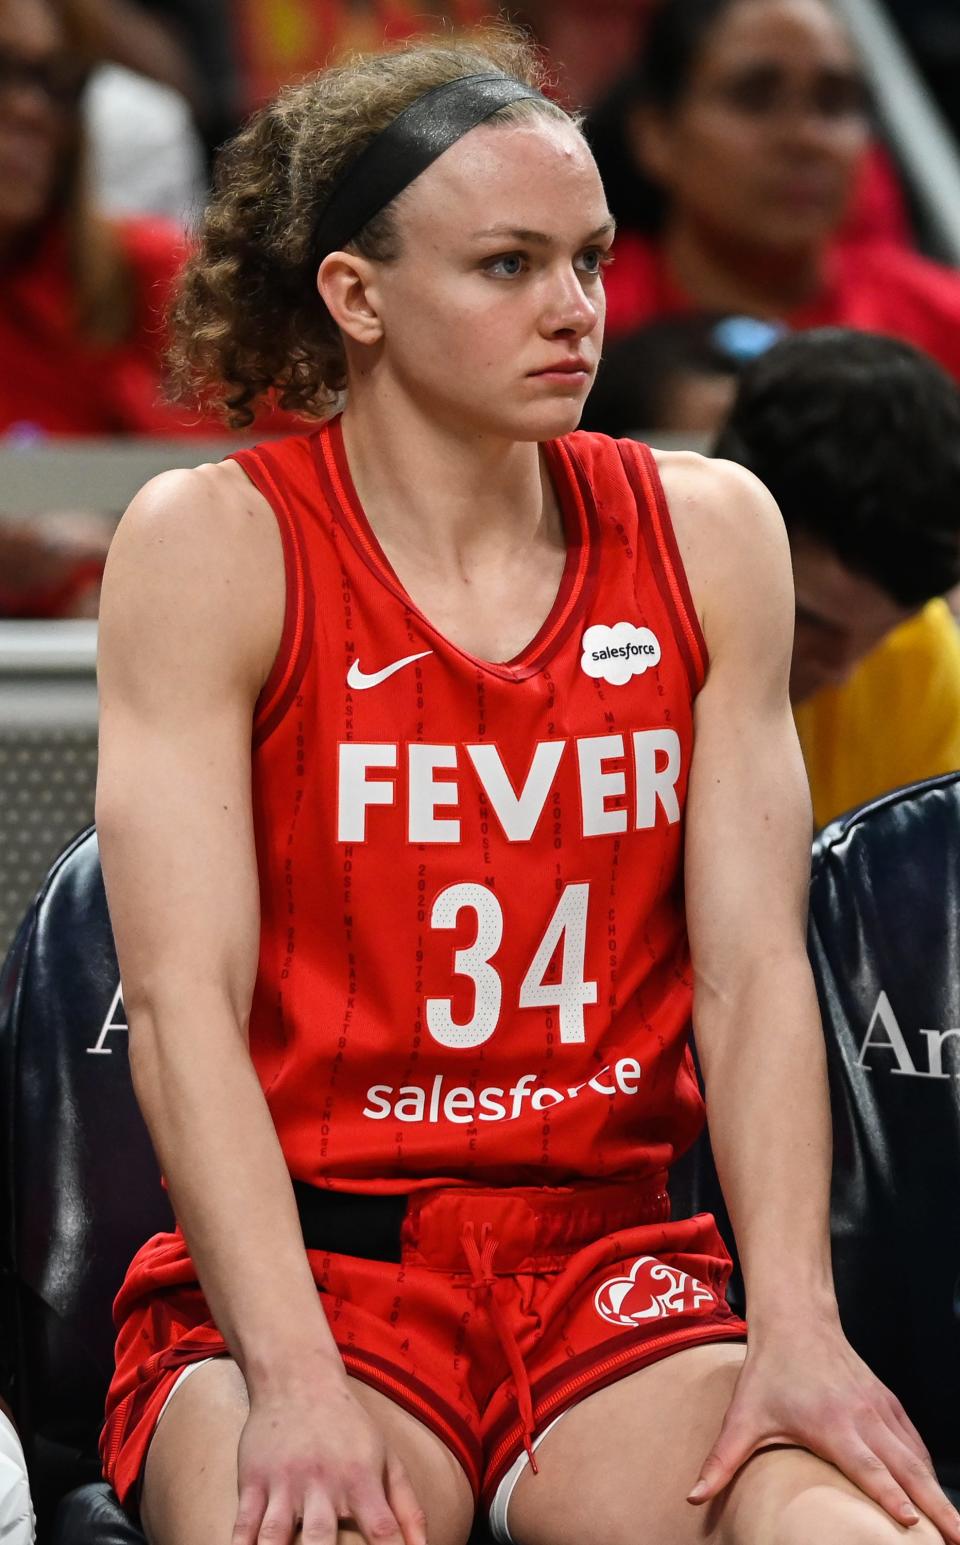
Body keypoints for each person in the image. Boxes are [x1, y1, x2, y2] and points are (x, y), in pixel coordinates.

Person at [94, 25, 960, 1545]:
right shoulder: (211, 545)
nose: (575, 312)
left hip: (617, 1267)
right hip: (316, 1272)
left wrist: (799, 1328)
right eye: (508, 266)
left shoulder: (711, 532)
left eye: (593, 260)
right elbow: (178, 1008)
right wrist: (289, 1377)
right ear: (353, 297)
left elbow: (758, 973)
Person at [591, 0, 960, 379]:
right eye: (755, 98)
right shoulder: (579, 322)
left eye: (833, 102)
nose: (805, 138)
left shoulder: (946, 325)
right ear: (655, 134)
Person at [714, 327, 960, 829]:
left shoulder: (922, 655)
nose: (842, 670)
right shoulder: (606, 662)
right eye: (809, 619)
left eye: (882, 631)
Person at [0, 0, 215, 435]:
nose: (30, 109)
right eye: (1, 70)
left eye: (58, 82)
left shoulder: (158, 282)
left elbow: (289, 467)